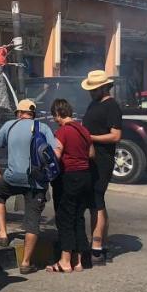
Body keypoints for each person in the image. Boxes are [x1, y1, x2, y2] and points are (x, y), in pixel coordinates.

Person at [0, 98, 61, 274]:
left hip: (12, 178)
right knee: (32, 221)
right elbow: (57, 152)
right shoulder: (42, 128)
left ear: (19, 113)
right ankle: (26, 263)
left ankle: (2, 234)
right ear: (33, 114)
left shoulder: (9, 126)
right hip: (36, 182)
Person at [47, 99, 94, 273]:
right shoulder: (83, 130)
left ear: (58, 114)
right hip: (86, 177)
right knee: (78, 217)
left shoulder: (63, 131)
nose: (55, 120)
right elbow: (91, 153)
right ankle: (79, 261)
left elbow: (56, 155)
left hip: (70, 177)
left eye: (55, 117)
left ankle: (65, 261)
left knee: (65, 217)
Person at [81, 69, 122, 263]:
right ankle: (99, 242)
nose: (91, 92)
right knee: (93, 201)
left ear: (104, 88)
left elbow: (115, 135)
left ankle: (97, 248)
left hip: (103, 159)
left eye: (94, 89)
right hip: (89, 157)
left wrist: (91, 138)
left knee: (96, 199)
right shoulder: (93, 104)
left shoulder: (112, 106)